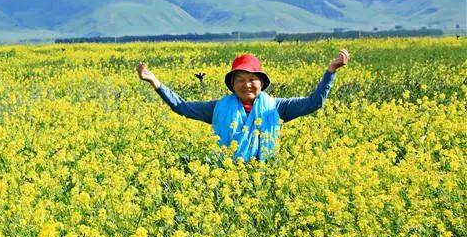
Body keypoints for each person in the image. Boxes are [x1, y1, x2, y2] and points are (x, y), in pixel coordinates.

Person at [137, 50, 350, 161]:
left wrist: (330, 72)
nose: (246, 84)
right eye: (239, 79)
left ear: (261, 83)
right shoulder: (218, 108)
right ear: (232, 85)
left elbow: (314, 103)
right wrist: (155, 82)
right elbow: (182, 107)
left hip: (265, 175)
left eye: (251, 79)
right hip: (227, 176)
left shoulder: (276, 107)